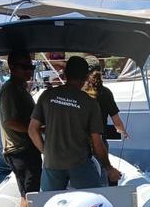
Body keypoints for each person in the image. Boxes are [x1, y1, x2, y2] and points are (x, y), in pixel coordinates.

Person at [28, 56, 121, 191]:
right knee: (94, 199)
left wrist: (46, 152)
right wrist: (109, 168)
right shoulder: (90, 103)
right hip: (79, 163)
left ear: (65, 74)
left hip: (52, 163)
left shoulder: (47, 95)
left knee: (48, 203)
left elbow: (32, 130)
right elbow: (97, 142)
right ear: (85, 76)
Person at [0, 51, 41, 207]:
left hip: (27, 149)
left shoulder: (20, 88)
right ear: (13, 68)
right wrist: (34, 130)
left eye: (31, 67)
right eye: (25, 67)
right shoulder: (10, 90)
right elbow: (10, 122)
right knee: (29, 197)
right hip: (20, 150)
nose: (29, 71)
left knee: (31, 194)